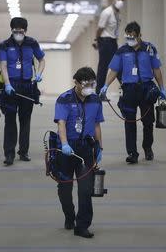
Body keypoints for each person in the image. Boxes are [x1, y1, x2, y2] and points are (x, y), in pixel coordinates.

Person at [99, 21, 166, 164]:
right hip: (129, 89)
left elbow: (157, 70)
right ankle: (132, 153)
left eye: (133, 37)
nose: (130, 39)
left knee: (148, 122)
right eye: (127, 37)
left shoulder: (149, 49)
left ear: (139, 35)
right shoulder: (122, 51)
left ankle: (147, 148)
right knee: (129, 122)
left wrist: (162, 88)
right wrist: (105, 85)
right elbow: (114, 70)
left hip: (147, 88)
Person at [54, 67, 104, 238]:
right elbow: (61, 123)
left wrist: (99, 148)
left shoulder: (96, 100)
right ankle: (69, 215)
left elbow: (97, 125)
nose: (89, 87)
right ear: (76, 82)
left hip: (85, 149)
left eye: (92, 84)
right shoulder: (64, 99)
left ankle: (82, 225)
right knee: (65, 189)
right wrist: (65, 144)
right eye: (86, 84)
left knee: (85, 189)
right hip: (67, 149)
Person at [0, 17, 46, 165]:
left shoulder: (32, 43)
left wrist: (38, 74)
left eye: (21, 31)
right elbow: (3, 66)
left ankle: (23, 151)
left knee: (25, 120)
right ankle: (9, 154)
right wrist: (7, 84)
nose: (18, 33)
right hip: (11, 87)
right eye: (15, 31)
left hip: (27, 87)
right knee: (10, 120)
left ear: (25, 31)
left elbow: (42, 60)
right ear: (11, 30)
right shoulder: (4, 45)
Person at [93, 0, 126, 94]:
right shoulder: (107, 12)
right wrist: (97, 40)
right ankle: (99, 92)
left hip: (112, 42)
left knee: (118, 65)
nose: (120, 1)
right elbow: (100, 28)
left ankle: (127, 89)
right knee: (104, 67)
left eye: (122, 0)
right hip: (105, 41)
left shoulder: (118, 14)